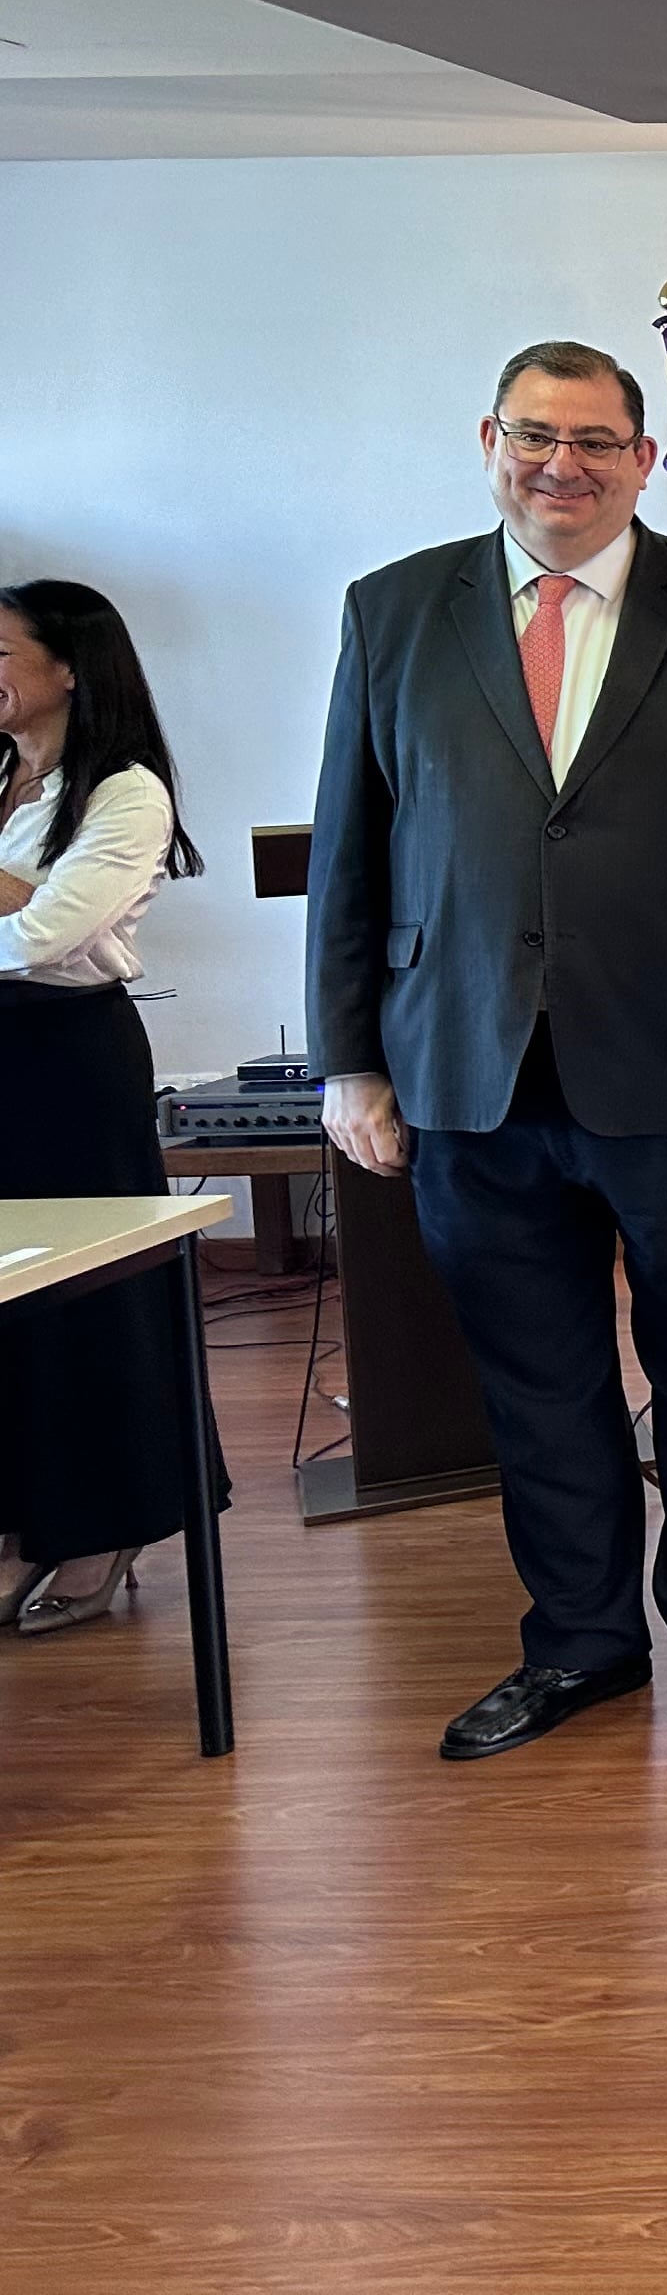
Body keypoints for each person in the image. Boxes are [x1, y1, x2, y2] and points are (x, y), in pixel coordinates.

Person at [310, 341, 667, 1760]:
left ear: (645, 459)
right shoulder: (394, 613)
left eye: (597, 441)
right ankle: (583, 1646)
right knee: (537, 1385)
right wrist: (348, 1060)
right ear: (487, 436)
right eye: (535, 435)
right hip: (467, 1074)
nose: (563, 464)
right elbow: (354, 855)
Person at [0, 579, 218, 1636]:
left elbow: (41, 939)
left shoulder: (124, 791)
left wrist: (24, 902)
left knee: (81, 1302)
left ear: (68, 667)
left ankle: (99, 1526)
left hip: (61, 1062)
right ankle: (13, 1527)